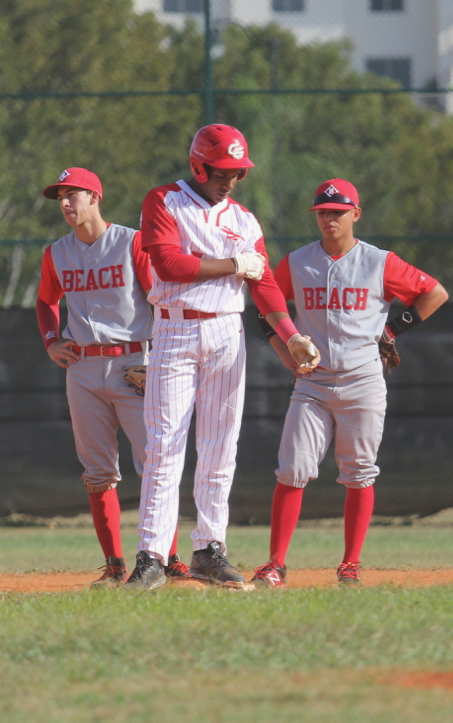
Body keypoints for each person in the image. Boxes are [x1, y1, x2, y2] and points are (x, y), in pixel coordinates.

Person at [124, 125, 320, 590]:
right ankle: (152, 555)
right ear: (199, 165)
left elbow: (265, 283)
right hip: (174, 328)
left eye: (238, 172)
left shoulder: (246, 220)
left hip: (226, 331)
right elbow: (169, 264)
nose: (230, 179)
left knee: (219, 447)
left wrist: (290, 334)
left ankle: (210, 550)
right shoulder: (164, 201)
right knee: (164, 447)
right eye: (223, 170)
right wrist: (235, 264)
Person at [249, 178, 448, 588]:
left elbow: (434, 293)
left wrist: (391, 332)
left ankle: (350, 565)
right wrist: (284, 349)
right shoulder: (298, 262)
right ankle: (275, 564)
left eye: (338, 212)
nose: (329, 219)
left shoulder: (379, 262)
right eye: (323, 212)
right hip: (313, 382)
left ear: (355, 214)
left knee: (359, 471)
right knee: (292, 469)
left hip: (363, 379)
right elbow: (264, 305)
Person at [35, 167, 191, 587]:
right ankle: (114, 564)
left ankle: (169, 557)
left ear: (95, 198)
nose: (66, 203)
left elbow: (160, 299)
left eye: (74, 195)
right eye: (61, 197)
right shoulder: (58, 252)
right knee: (98, 471)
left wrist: (158, 355)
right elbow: (46, 300)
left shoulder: (131, 242)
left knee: (156, 464)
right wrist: (51, 340)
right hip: (82, 368)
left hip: (134, 363)